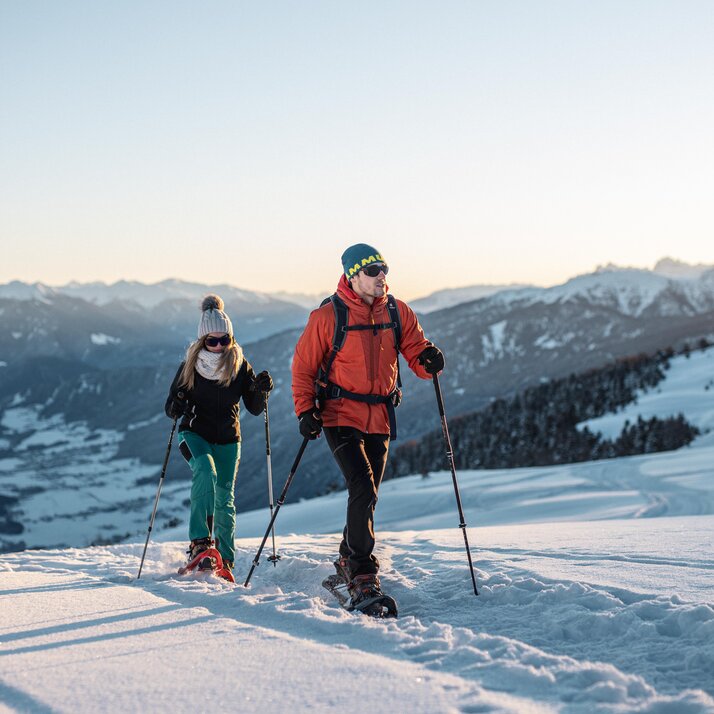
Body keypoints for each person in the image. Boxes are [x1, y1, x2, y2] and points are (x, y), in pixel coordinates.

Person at [291, 243, 444, 607]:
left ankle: (347, 555)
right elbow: (303, 368)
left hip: (379, 414)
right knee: (362, 486)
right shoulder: (328, 316)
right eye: (373, 270)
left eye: (384, 269)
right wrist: (305, 411)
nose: (382, 276)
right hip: (339, 413)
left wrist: (428, 359)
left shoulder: (397, 311)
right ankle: (362, 571)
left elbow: (415, 352)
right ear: (353, 275)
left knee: (369, 490)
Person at [165, 294, 273, 578]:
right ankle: (200, 543)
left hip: (228, 439)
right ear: (202, 341)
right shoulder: (191, 365)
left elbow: (253, 408)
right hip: (194, 433)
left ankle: (225, 558)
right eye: (212, 341)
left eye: (224, 340)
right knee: (204, 470)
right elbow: (170, 409)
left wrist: (261, 391)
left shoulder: (239, 365)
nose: (218, 346)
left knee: (225, 498)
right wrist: (177, 404)